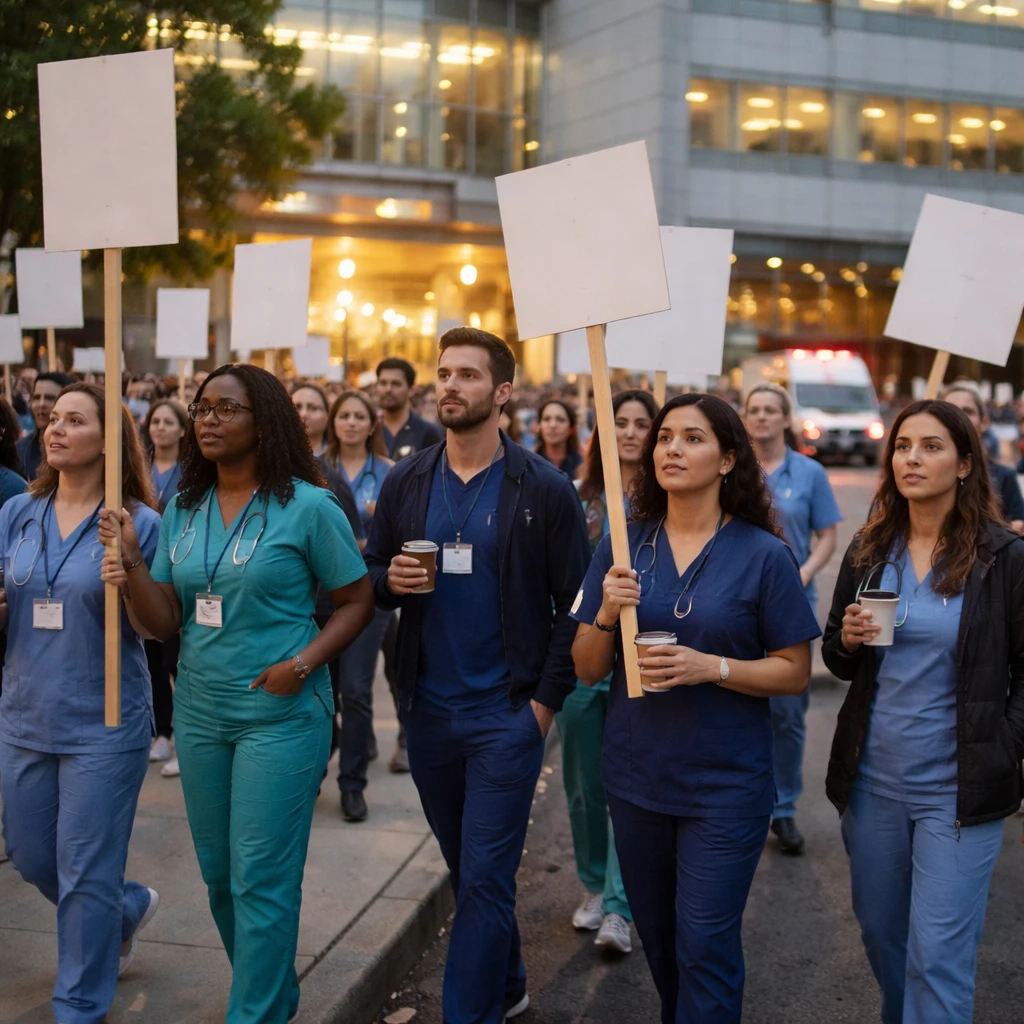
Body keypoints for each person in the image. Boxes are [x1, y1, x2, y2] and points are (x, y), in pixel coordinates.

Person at [100, 364, 375, 1024]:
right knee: (222, 879)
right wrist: (133, 563)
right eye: (202, 408)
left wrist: (305, 663)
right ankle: (270, 996)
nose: (208, 419)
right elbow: (164, 620)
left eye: (227, 408)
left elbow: (356, 600)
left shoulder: (309, 506)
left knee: (262, 879)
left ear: (266, 421)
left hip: (278, 715)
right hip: (198, 712)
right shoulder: (184, 505)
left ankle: (254, 1014)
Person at [365, 327, 591, 1024]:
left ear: (501, 392)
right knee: (471, 871)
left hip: (507, 715)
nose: (449, 384)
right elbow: (369, 577)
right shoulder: (407, 479)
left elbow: (574, 607)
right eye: (444, 372)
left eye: (466, 374)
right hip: (428, 712)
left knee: (488, 876)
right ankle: (510, 979)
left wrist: (543, 710)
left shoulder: (543, 488)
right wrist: (390, 582)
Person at [571, 393, 820, 1024]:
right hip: (636, 780)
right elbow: (586, 666)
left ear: (728, 458)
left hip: (725, 786)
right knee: (661, 945)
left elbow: (795, 673)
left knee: (705, 944)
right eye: (664, 438)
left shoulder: (765, 554)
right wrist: (605, 610)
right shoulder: (624, 545)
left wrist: (714, 667)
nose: (671, 449)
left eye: (691, 438)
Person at [823, 399, 1024, 1024]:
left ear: (965, 464)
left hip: (958, 793)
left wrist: (1005, 744)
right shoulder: (868, 548)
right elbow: (835, 653)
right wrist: (849, 640)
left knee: (937, 957)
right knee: (885, 942)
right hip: (873, 784)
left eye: (932, 447)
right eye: (904, 445)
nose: (912, 458)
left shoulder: (1003, 559)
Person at [0, 383, 163, 1024]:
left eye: (74, 419)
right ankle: (123, 910)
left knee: (85, 869)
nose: (54, 427)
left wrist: (129, 570)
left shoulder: (136, 523)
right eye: (52, 418)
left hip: (104, 721)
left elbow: (156, 629)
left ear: (109, 438)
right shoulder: (18, 511)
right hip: (23, 713)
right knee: (35, 856)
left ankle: (79, 1007)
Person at [559, 389, 658, 955]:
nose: (630, 431)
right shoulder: (576, 496)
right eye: (619, 422)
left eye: (643, 423)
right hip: (582, 658)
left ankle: (621, 907)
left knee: (628, 782)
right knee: (583, 786)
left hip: (639, 662)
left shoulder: (666, 500)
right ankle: (595, 884)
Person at [744, 382, 842, 854]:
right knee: (736, 702)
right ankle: (741, 803)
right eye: (754, 410)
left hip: (792, 602)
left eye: (770, 410)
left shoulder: (811, 473)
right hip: (739, 605)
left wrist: (803, 570)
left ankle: (783, 809)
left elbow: (827, 534)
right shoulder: (733, 471)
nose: (762, 417)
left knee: (786, 713)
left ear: (786, 418)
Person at [318, 391, 397, 818]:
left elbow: (400, 535)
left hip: (371, 592)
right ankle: (320, 759)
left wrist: (357, 543)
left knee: (356, 688)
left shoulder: (390, 473)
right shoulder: (314, 468)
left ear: (372, 424)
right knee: (322, 691)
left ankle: (352, 784)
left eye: (358, 416)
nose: (350, 422)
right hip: (322, 595)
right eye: (343, 415)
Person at [141, 399, 189, 772]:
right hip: (141, 571)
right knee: (152, 659)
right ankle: (162, 731)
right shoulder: (137, 471)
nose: (160, 427)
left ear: (181, 430)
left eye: (168, 421)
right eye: (154, 421)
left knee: (174, 658)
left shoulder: (189, 474)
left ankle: (185, 734)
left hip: (176, 575)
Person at [942, 381, 1024, 534]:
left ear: (984, 421)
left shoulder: (1004, 476)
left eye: (967, 411)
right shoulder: (926, 473)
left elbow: (1018, 523)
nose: (960, 417)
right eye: (951, 411)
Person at [376, 357, 444, 460]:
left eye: (396, 384)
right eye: (383, 383)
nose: (388, 389)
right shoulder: (368, 429)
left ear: (412, 389)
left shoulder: (427, 432)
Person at [16, 372, 74, 481]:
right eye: (37, 398)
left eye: (49, 398)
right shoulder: (21, 450)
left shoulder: (78, 450)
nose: (41, 404)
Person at [535, 398, 583, 478]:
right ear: (539, 426)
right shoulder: (527, 464)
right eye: (546, 419)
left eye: (560, 420)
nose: (553, 425)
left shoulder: (582, 465)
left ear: (571, 428)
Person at [292, 382, 331, 458]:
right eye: (297, 407)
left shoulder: (339, 460)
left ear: (327, 417)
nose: (303, 414)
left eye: (313, 408)